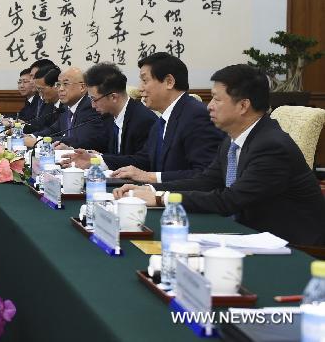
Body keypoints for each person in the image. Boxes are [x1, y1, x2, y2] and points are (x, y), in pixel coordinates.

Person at [115, 65, 325, 246]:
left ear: (243, 105)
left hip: (293, 247)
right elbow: (206, 181)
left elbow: (229, 200)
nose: (209, 106)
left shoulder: (271, 146)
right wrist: (150, 189)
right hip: (250, 234)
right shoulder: (233, 139)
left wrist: (161, 198)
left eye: (216, 99)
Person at [106, 52, 223, 183]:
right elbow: (145, 160)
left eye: (145, 81)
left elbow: (205, 174)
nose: (140, 89)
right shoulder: (161, 122)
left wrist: (151, 177)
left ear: (169, 82)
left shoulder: (196, 116)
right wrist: (100, 160)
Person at [62, 63, 158, 168]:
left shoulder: (143, 120)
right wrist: (74, 151)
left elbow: (142, 161)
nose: (93, 105)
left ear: (113, 97)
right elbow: (100, 144)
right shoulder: (109, 116)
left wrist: (100, 160)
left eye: (94, 99)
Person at [26, 67, 108, 151]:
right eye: (58, 84)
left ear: (82, 87)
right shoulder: (66, 107)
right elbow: (53, 130)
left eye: (65, 84)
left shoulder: (90, 106)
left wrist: (39, 141)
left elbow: (79, 140)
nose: (60, 89)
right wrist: (32, 136)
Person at [22, 65, 64, 134]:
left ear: (56, 86)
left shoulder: (66, 106)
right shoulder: (49, 104)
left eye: (41, 89)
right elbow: (40, 126)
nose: (39, 94)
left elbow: (56, 132)